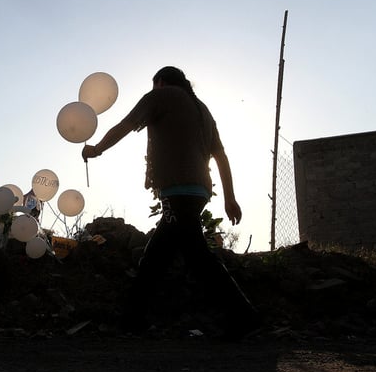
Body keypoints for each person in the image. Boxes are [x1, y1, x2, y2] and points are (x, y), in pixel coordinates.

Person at [82, 66, 259, 337]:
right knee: (159, 255)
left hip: (178, 192)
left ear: (161, 82)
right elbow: (221, 156)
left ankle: (244, 315)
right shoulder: (203, 109)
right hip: (198, 192)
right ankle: (134, 319)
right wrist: (230, 198)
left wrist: (96, 149)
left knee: (196, 256)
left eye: (155, 86)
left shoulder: (161, 97)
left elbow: (126, 125)